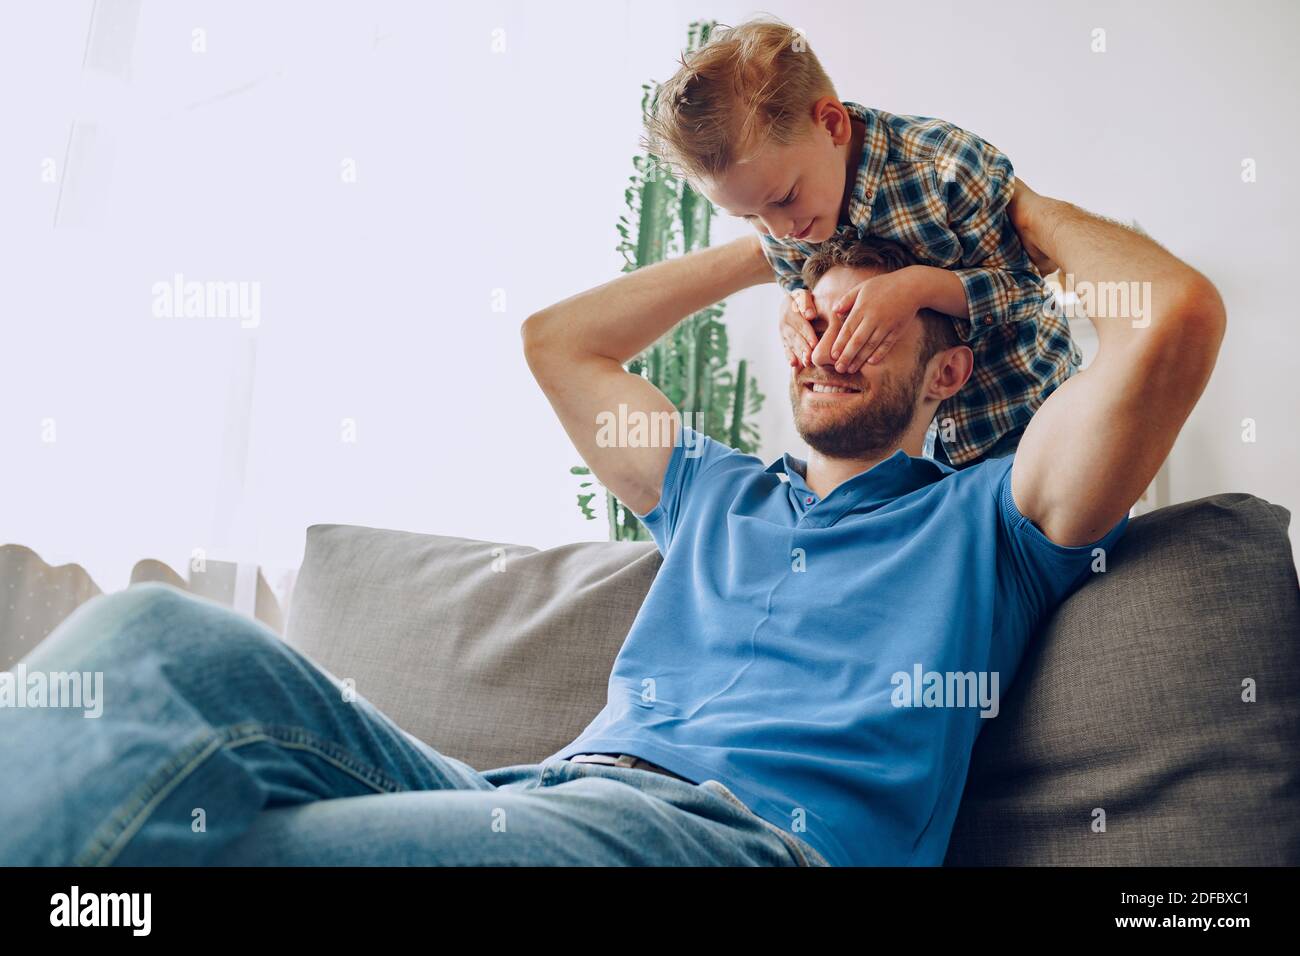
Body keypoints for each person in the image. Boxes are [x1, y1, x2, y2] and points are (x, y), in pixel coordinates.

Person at [0, 182, 1225, 867]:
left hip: (731, 848)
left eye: (875, 320)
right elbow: (556, 342)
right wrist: (775, 256)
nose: (829, 333)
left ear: (947, 375)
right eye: (816, 316)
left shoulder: (990, 522)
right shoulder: (713, 492)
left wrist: (969, 243)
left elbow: (1171, 315)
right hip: (543, 795)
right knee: (159, 639)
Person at [642, 15, 1082, 468]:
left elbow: (1027, 293)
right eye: (749, 216)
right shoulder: (781, 219)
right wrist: (794, 312)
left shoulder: (946, 169)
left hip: (1029, 417)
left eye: (785, 198)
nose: (777, 231)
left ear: (832, 126)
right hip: (918, 455)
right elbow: (798, 286)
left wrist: (918, 288)